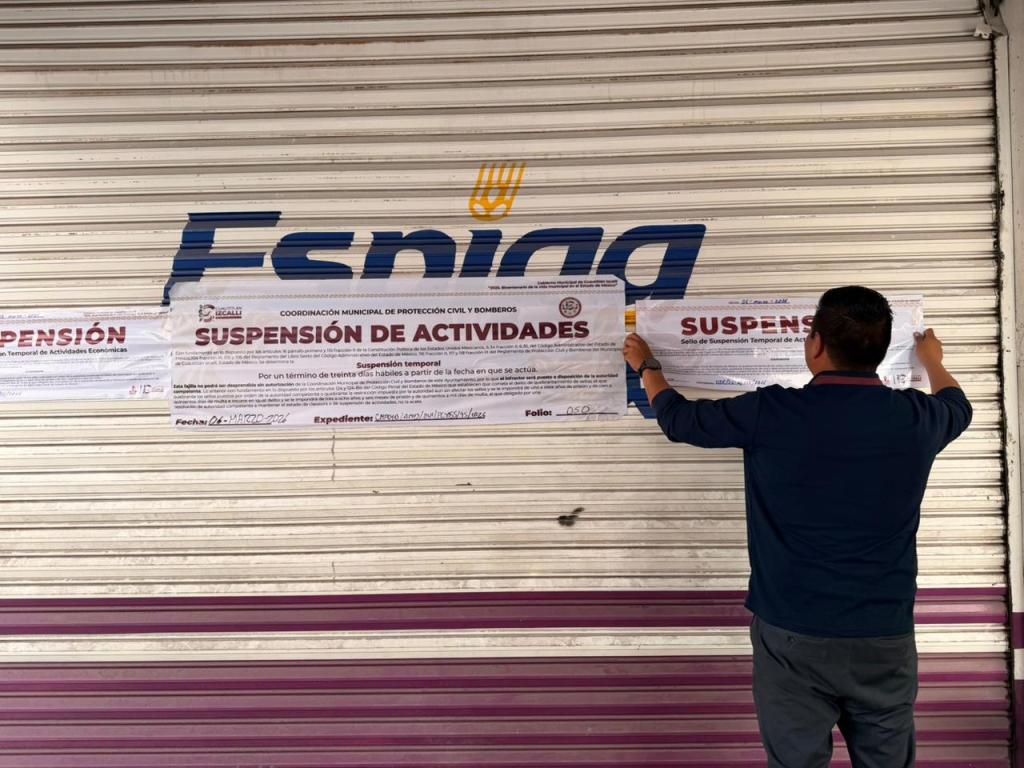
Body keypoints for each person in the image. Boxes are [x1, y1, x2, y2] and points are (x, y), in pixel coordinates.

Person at [622, 286, 972, 768]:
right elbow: (958, 405)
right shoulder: (918, 417)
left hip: (791, 635)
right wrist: (932, 360)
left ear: (817, 344)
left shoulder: (772, 412)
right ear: (881, 349)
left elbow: (679, 420)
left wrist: (646, 366)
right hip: (883, 635)